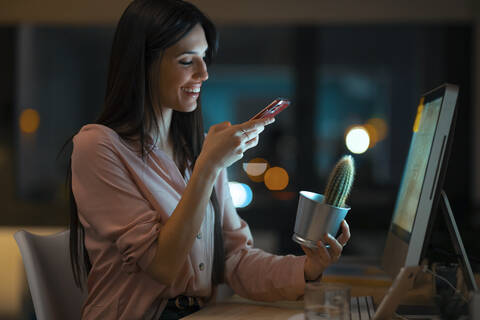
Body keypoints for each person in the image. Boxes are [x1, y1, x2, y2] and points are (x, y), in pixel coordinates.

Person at [67, 0, 351, 319]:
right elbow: (162, 265)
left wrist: (307, 268)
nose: (203, 73)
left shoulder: (198, 150)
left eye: (204, 58)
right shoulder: (98, 147)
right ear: (143, 64)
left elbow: (234, 259)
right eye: (187, 60)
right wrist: (209, 166)